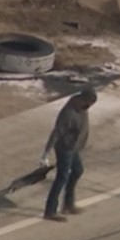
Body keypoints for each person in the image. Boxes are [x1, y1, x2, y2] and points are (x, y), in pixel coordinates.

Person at [39, 86, 97, 222]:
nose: (89, 106)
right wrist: (46, 153)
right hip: (65, 148)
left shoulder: (82, 108)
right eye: (88, 102)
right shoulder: (68, 113)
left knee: (77, 171)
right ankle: (50, 211)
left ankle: (68, 204)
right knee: (62, 178)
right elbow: (56, 133)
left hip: (74, 148)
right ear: (82, 99)